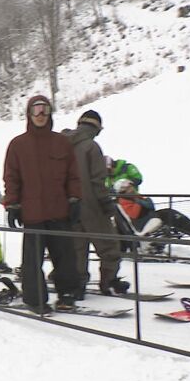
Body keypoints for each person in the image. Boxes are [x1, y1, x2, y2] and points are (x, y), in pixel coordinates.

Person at [3, 95, 82, 313]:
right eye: (36, 110)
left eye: (44, 110)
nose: (40, 115)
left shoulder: (61, 142)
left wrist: (75, 199)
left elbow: (73, 175)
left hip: (59, 211)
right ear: (29, 114)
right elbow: (12, 177)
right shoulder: (18, 145)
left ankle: (67, 293)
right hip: (33, 213)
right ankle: (35, 299)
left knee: (65, 256)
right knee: (32, 260)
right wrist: (12, 205)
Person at [62, 110, 128, 297]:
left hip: (69, 206)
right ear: (96, 128)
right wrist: (106, 203)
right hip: (92, 206)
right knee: (109, 245)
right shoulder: (92, 147)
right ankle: (108, 281)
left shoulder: (62, 144)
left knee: (77, 248)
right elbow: (98, 181)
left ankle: (78, 285)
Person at [114, 179, 190, 241]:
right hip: (142, 223)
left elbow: (150, 205)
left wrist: (140, 201)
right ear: (123, 191)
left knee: (169, 212)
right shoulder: (124, 201)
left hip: (149, 217)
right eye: (129, 188)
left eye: (132, 187)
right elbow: (134, 214)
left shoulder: (134, 197)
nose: (132, 189)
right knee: (168, 215)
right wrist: (139, 201)